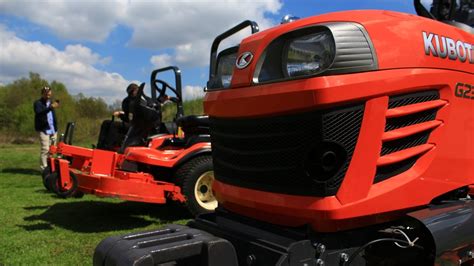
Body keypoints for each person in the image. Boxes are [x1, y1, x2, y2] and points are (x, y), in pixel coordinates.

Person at [34, 86, 59, 170]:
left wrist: (56, 127)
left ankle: (50, 167)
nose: (48, 93)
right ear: (42, 93)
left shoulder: (51, 103)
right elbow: (39, 113)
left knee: (52, 150)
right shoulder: (38, 103)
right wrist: (50, 108)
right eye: (46, 92)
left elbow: (51, 117)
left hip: (53, 129)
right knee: (45, 149)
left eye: (49, 92)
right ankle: (44, 169)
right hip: (43, 129)